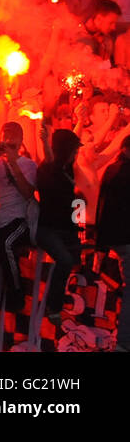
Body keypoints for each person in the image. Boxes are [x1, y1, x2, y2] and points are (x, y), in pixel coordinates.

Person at [0, 121, 37, 308]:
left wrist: (14, 163)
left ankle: (17, 292)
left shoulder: (29, 164)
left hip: (18, 220)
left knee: (6, 244)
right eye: (5, 134)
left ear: (21, 139)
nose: (8, 138)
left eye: (13, 135)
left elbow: (28, 193)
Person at [34, 129, 83, 324]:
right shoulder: (47, 169)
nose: (75, 154)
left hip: (65, 227)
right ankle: (53, 307)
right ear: (65, 150)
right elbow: (51, 166)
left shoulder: (67, 169)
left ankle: (69, 304)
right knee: (64, 260)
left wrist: (79, 226)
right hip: (46, 228)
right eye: (73, 150)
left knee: (75, 259)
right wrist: (45, 142)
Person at [94, 134, 130, 351]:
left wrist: (101, 244)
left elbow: (102, 207)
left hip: (116, 239)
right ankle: (124, 343)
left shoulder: (111, 171)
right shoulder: (125, 173)